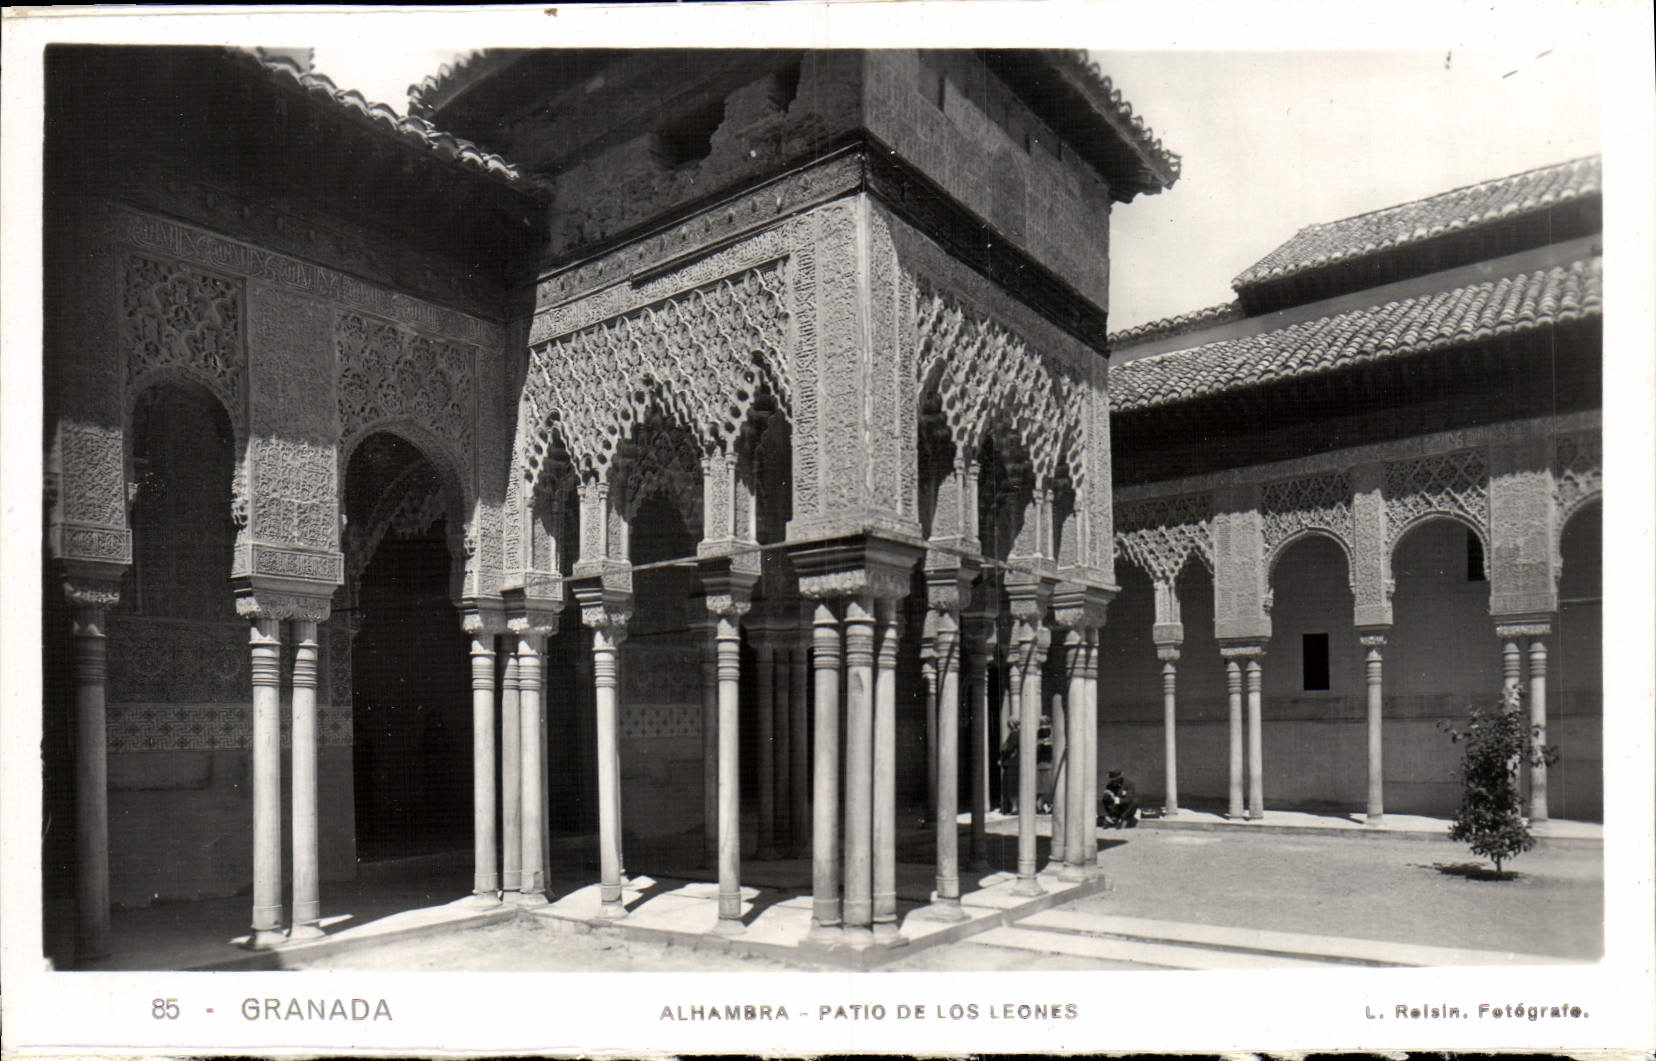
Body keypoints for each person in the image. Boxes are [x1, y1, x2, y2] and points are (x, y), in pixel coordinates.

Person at [998, 718, 1021, 815]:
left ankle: (1014, 808)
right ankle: (1012, 807)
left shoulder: (1015, 734)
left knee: (1011, 787)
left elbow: (1007, 748)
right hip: (1013, 763)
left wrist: (1003, 747)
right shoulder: (1017, 734)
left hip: (1012, 763)